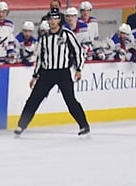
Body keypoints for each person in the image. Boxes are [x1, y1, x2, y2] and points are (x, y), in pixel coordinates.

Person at [14, 8, 90, 137]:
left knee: (70, 100)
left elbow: (78, 51)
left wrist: (79, 69)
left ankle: (84, 125)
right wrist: (35, 75)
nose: (52, 21)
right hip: (47, 74)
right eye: (50, 19)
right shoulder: (44, 38)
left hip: (63, 73)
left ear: (59, 20)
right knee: (33, 99)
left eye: (55, 18)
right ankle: (21, 125)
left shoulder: (67, 34)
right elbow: (40, 58)